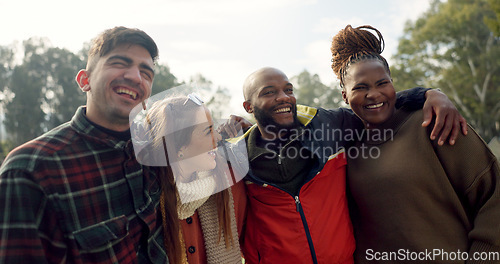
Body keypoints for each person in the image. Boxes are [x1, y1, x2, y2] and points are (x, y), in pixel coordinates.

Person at [239, 66, 467, 264]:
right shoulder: (236, 159)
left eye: (288, 90)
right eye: (269, 92)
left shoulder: (328, 126)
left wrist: (430, 93)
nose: (284, 97)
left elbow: (376, 103)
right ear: (248, 107)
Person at [331, 25, 500, 263]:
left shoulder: (433, 120)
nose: (374, 94)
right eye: (360, 87)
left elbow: (493, 196)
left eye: (382, 83)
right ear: (344, 96)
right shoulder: (343, 147)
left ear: (392, 84)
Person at [0, 27, 168, 263]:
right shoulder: (30, 171)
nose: (135, 77)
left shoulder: (156, 151)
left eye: (146, 73)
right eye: (120, 63)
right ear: (84, 80)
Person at [132, 93, 247, 264]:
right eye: (207, 131)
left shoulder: (228, 185)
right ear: (179, 147)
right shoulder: (145, 200)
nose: (218, 137)